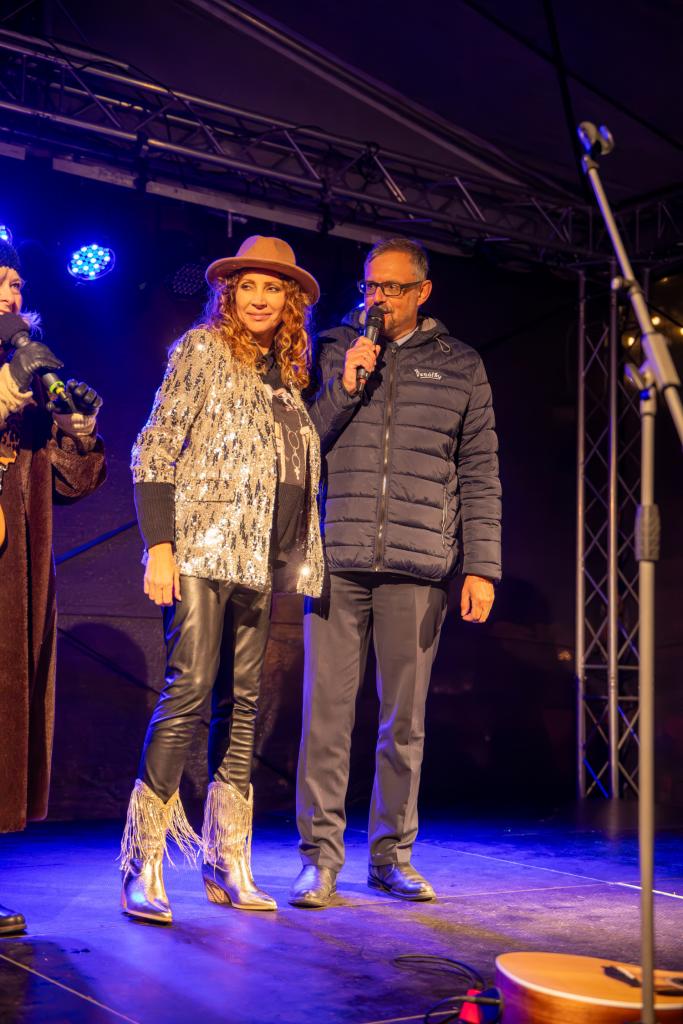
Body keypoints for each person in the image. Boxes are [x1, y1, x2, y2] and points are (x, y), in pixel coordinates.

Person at [290, 237, 502, 908]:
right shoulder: (332, 349)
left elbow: (480, 471)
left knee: (402, 723)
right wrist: (344, 386)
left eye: (393, 287)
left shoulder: (460, 364)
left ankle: (391, 858)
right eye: (371, 286)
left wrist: (481, 567)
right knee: (325, 718)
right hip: (338, 558)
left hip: (418, 565)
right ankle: (319, 860)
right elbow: (300, 444)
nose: (378, 298)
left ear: (422, 292)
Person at [122, 235, 324, 924]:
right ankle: (144, 859)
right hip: (201, 550)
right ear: (229, 293)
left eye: (273, 288)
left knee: (243, 704)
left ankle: (225, 856)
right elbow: (154, 446)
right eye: (248, 286)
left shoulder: (287, 372)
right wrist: (159, 546)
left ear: (290, 300)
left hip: (260, 559)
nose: (260, 298)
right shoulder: (201, 349)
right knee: (188, 690)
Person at [0, 239, 106, 935]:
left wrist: (79, 431)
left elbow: (72, 484)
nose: (9, 293)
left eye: (15, 282)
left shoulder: (33, 377)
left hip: (12, 572)